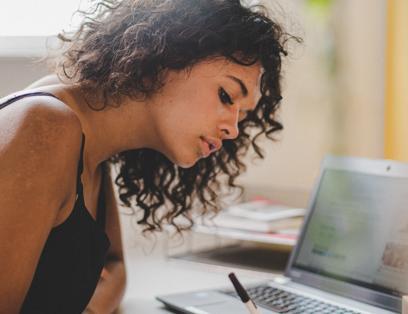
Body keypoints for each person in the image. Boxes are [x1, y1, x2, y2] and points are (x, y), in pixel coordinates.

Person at [0, 0, 300, 313]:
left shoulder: (94, 147)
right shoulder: (46, 127)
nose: (233, 130)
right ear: (168, 55)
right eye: (226, 96)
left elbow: (114, 271)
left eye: (242, 115)